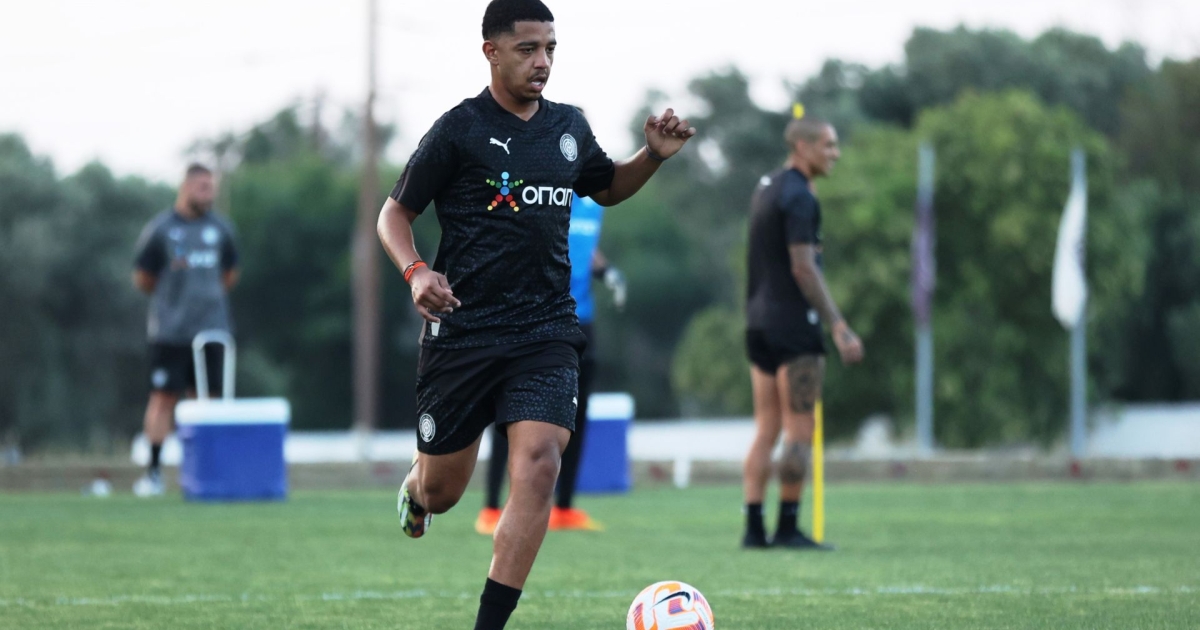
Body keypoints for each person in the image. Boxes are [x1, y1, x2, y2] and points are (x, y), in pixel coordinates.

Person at [377, 1, 695, 627]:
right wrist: (416, 273)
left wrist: (652, 156)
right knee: (444, 491)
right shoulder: (458, 130)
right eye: (527, 49)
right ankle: (416, 487)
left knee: (541, 462)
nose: (542, 61)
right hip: (463, 330)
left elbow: (607, 186)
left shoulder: (569, 127)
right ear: (491, 51)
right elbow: (394, 214)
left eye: (550, 48)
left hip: (546, 330)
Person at [475, 186, 626, 536]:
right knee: (509, 408)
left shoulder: (594, 204)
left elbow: (583, 247)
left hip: (582, 319)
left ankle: (565, 508)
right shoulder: (542, 188)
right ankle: (491, 507)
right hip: (535, 317)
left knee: (576, 414)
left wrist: (606, 272)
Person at [741, 117, 863, 549]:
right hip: (794, 326)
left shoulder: (766, 187)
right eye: (829, 145)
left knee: (766, 428)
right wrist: (839, 325)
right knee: (799, 429)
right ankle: (788, 527)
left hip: (757, 323)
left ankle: (754, 529)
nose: (835, 154)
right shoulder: (800, 197)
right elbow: (803, 267)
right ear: (803, 146)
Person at [131, 163, 239, 497]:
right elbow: (143, 277)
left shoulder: (221, 228)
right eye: (203, 187)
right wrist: (175, 302)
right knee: (162, 399)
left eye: (212, 187)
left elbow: (230, 274)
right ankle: (153, 473)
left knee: (209, 402)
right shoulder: (161, 229)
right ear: (186, 187)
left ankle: (208, 474)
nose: (209, 193)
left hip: (212, 331)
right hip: (171, 332)